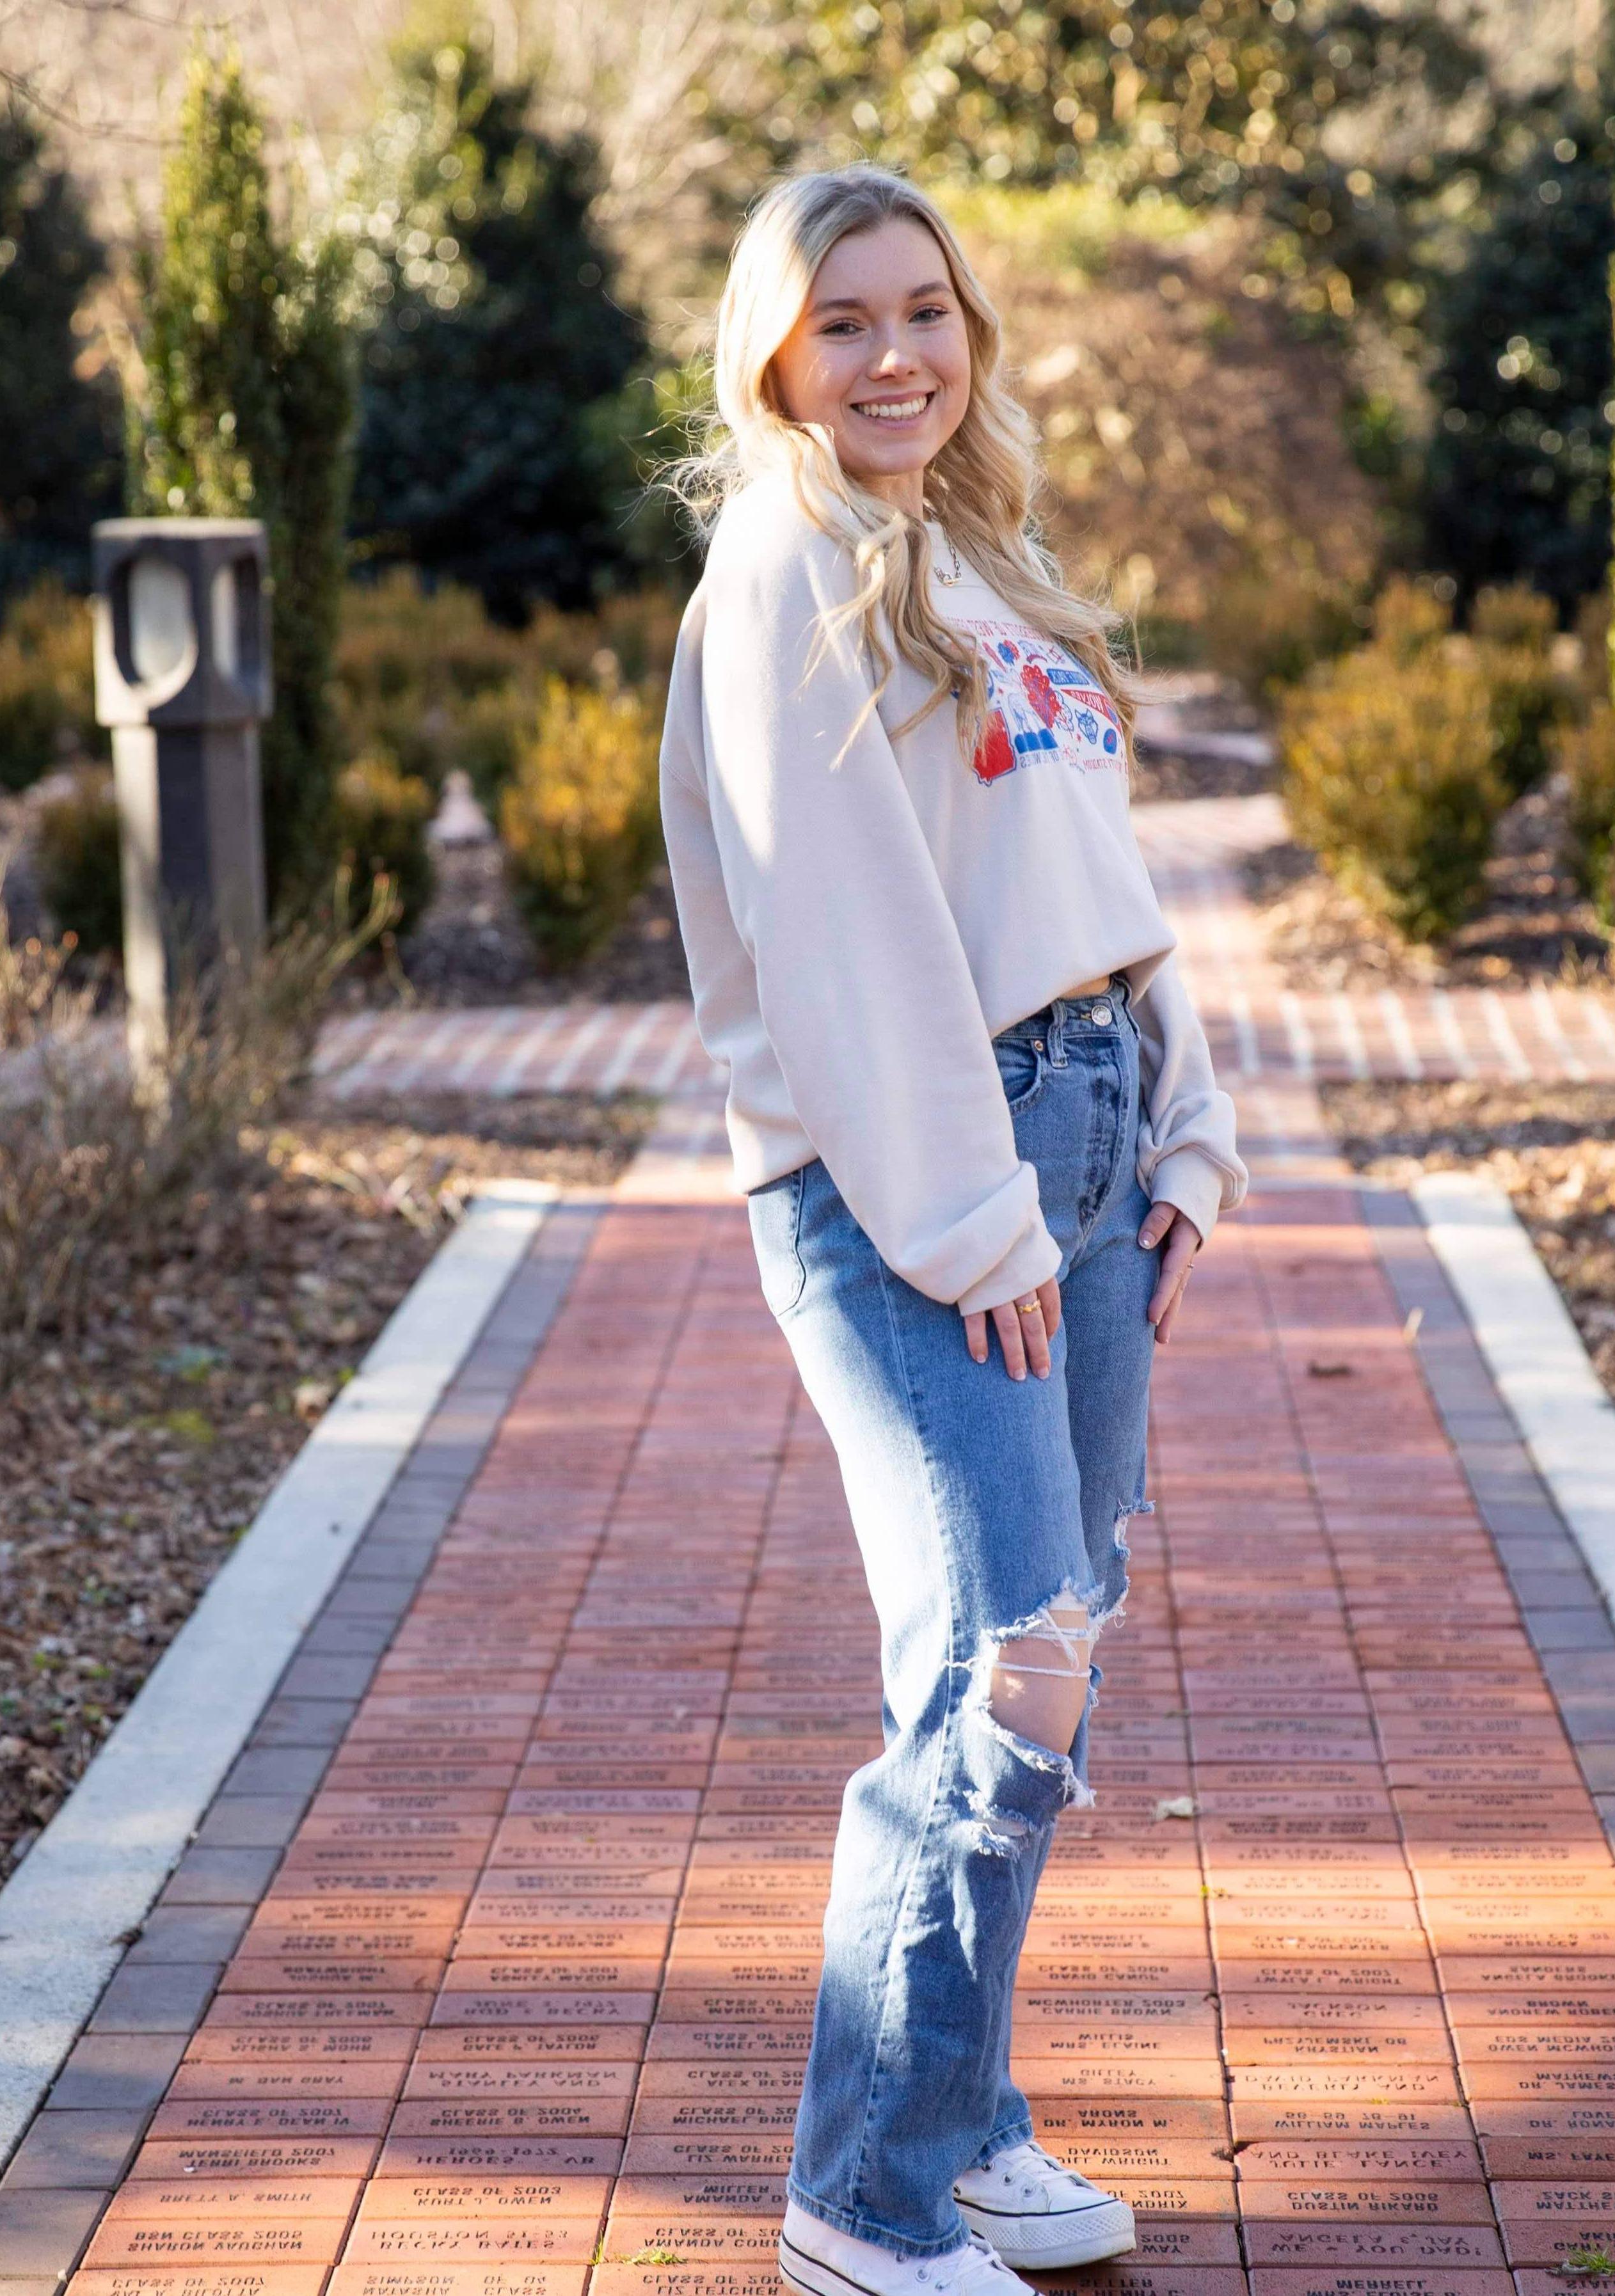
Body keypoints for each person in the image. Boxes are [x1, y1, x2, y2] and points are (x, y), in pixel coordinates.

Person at [658, 164, 1248, 2296]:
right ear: (773, 355)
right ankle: (863, 2196)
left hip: (1074, 1142)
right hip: (929, 1174)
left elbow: (1089, 871)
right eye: (846, 322)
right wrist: (968, 1217)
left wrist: (1185, 1127)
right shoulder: (785, 567)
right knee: (991, 1678)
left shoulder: (973, 557)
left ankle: (963, 2125)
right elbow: (845, 939)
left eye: (927, 311)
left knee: (1053, 1650)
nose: (896, 353)